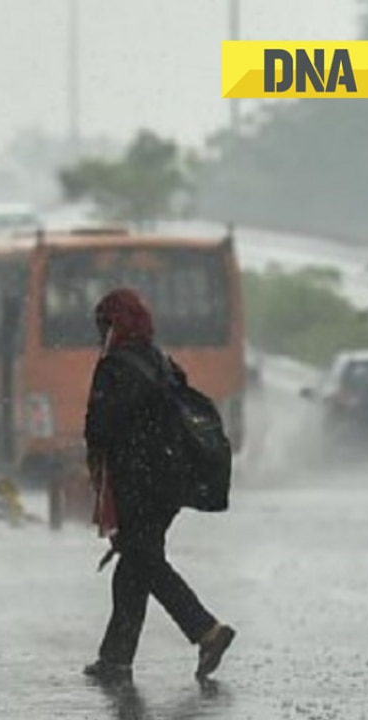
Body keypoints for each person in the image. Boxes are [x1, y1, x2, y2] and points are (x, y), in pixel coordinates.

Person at [83, 287, 236, 683]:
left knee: (144, 562)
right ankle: (115, 659)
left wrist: (96, 468)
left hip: (137, 482)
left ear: (113, 325)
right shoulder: (161, 362)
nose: (99, 334)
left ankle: (206, 630)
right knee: (134, 563)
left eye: (102, 325)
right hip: (170, 482)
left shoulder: (114, 367)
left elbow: (99, 428)